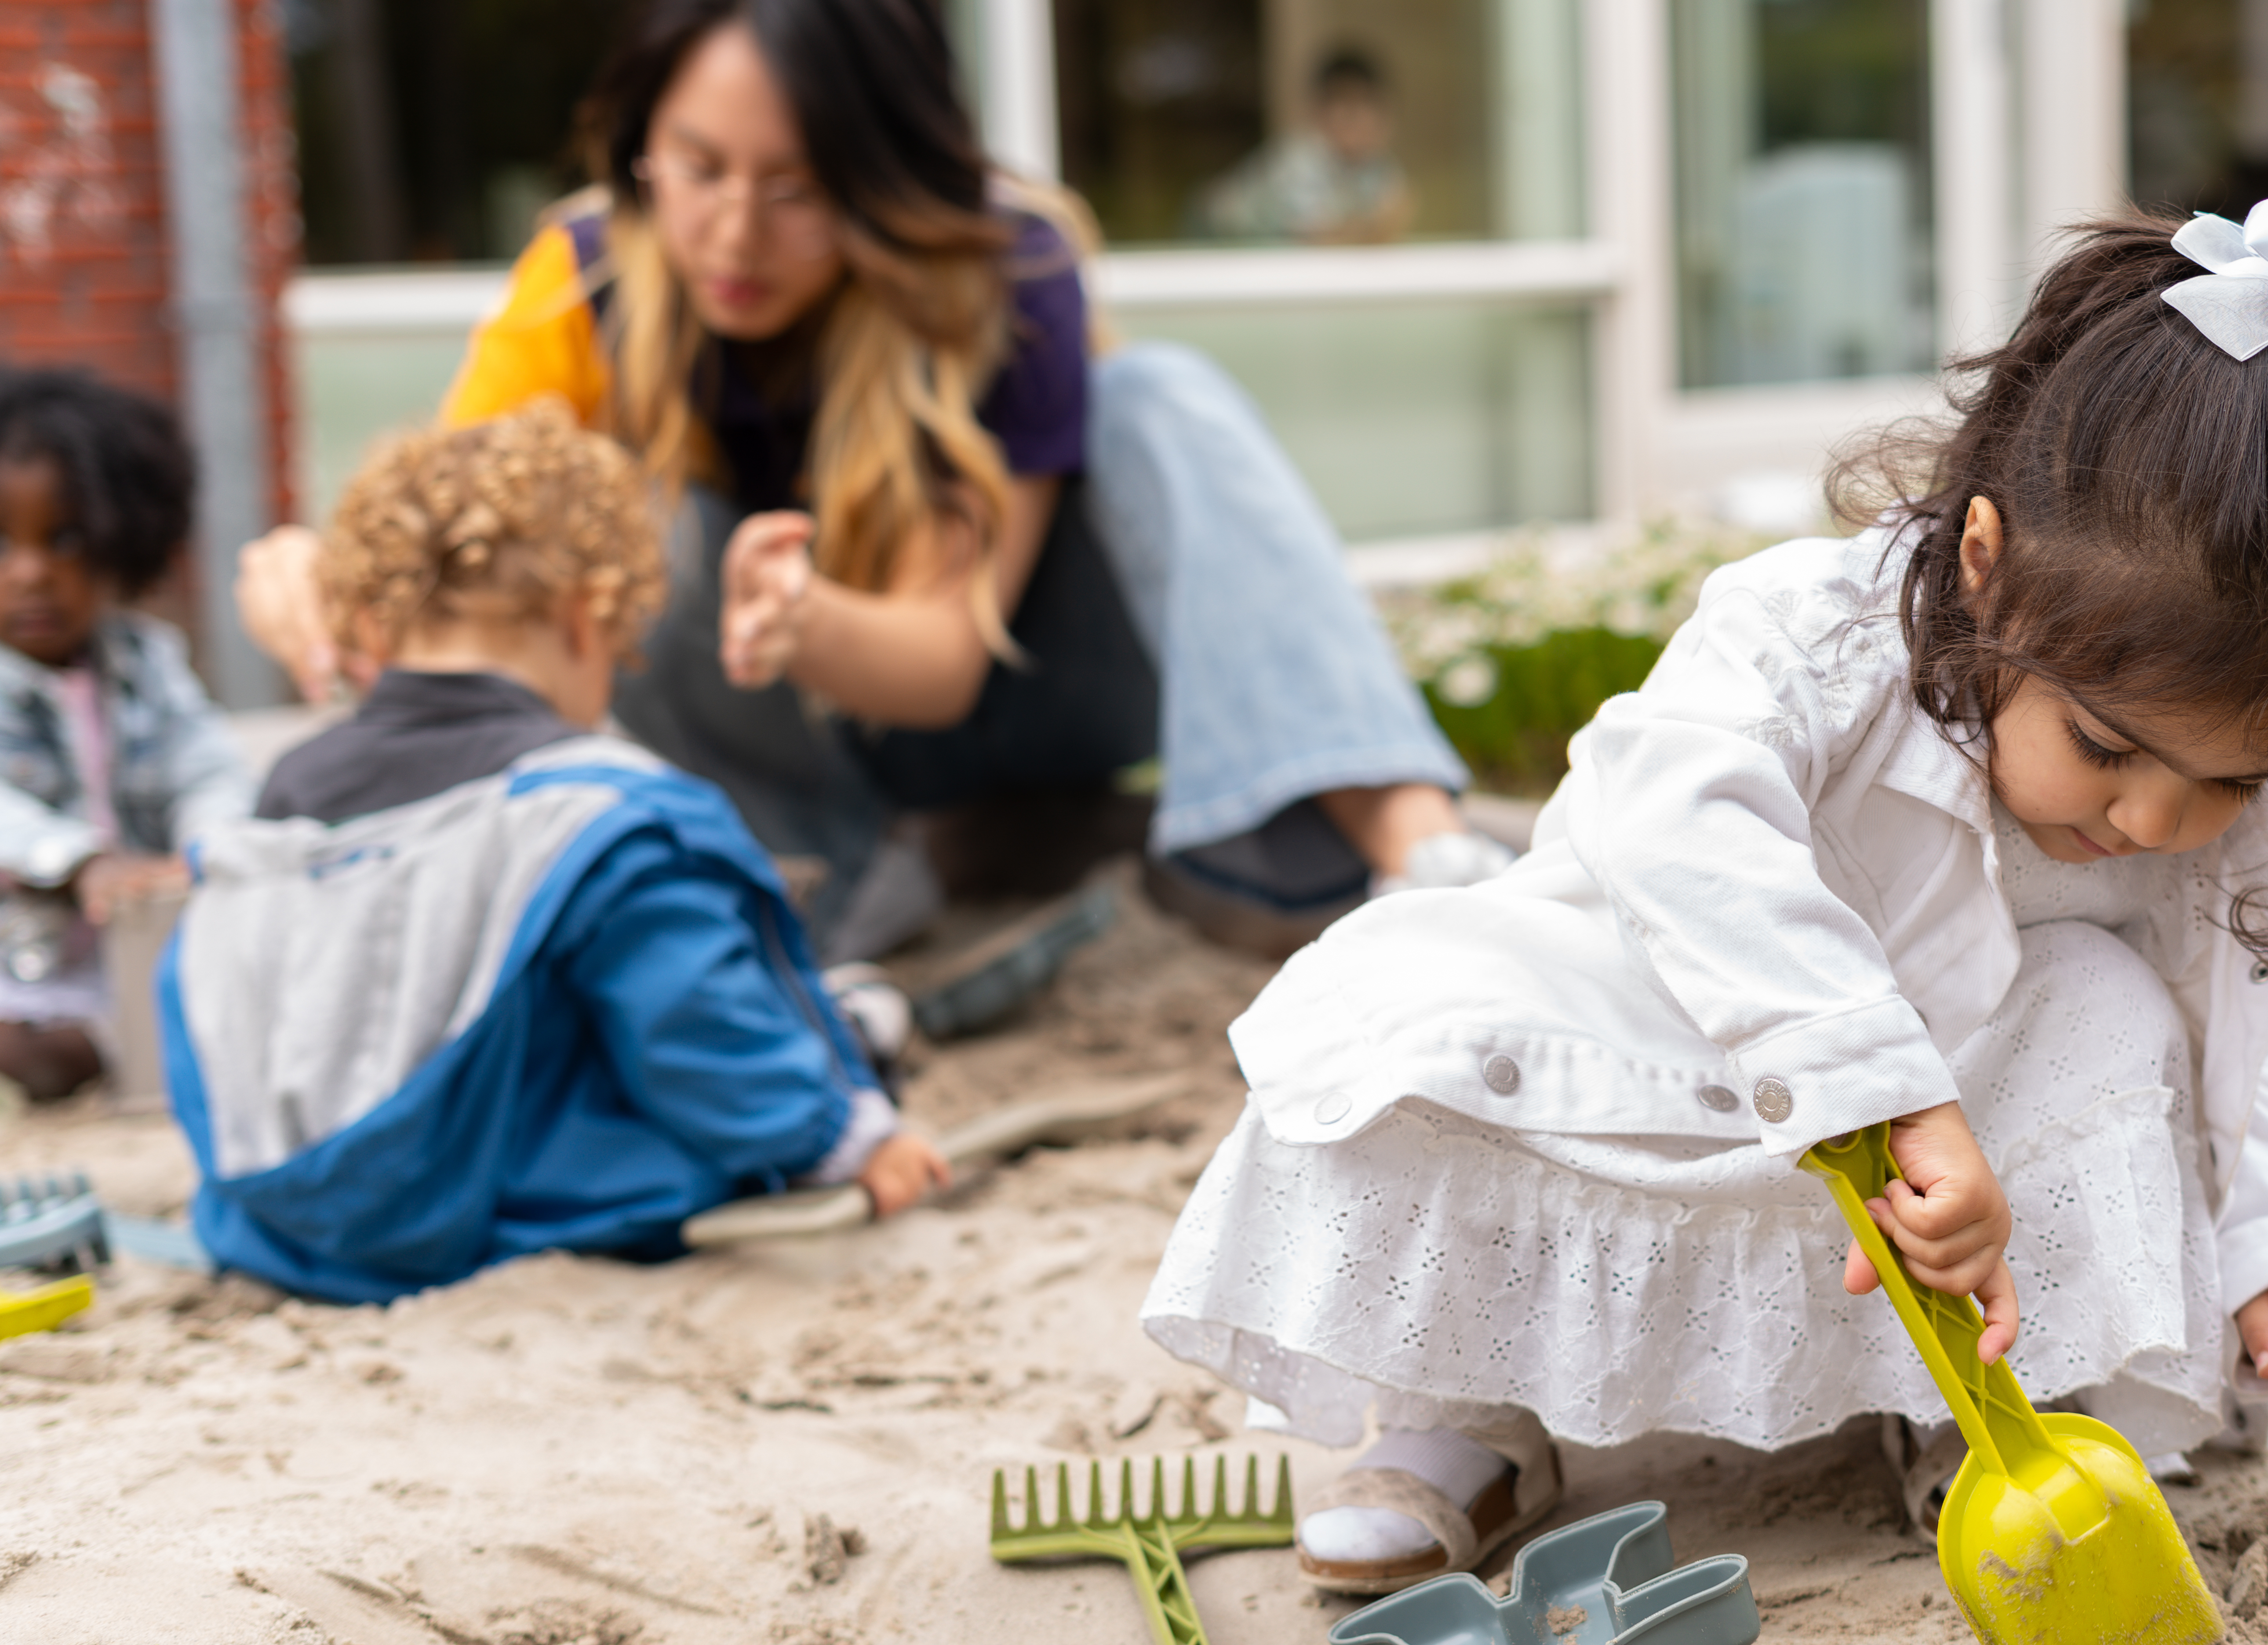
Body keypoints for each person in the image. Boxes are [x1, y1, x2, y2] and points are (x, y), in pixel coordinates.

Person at [1141, 200, 2268, 1593]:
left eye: (2232, 780)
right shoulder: (1808, 641)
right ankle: (1465, 1410)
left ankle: (1992, 1412)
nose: (2154, 822)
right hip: (1656, 1047)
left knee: (2117, 1007)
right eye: (2105, 747)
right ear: (1988, 566)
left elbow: (2231, 1033)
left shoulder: (2195, 812)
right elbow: (1674, 824)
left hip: (1950, 1158)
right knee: (1412, 1016)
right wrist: (1887, 1095)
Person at [235, 0, 1493, 966]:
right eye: (699, 168)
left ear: (886, 180)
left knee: (1161, 394)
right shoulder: (584, 281)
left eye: (798, 191)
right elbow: (451, 541)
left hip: (1021, 682)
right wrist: (317, 573)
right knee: (624, 516)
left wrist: (808, 621)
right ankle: (829, 894)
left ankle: (1425, 859)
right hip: (808, 769)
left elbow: (945, 661)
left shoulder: (1008, 270)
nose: (735, 233)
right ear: (640, 144)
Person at [171, 406, 949, 1306]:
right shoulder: (602, 810)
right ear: (587, 620)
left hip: (280, 1220)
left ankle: (843, 1027)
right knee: (689, 1007)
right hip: (496, 1206)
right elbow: (694, 1017)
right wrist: (842, 1142)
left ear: (375, 634)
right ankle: (846, 1042)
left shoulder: (285, 796)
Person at [0, 368, 251, 1101]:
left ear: (124, 536)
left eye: (66, 540)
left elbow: (204, 762)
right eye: (1, 544)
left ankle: (115, 1044)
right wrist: (78, 861)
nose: (32, 573)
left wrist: (207, 845)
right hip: (21, 965)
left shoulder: (147, 661)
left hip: (131, 950)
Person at [1201, 48, 1413, 246]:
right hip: (1215, 233)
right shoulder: (1299, 161)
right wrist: (1376, 228)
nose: (1360, 121)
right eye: (1348, 110)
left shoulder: (1377, 166)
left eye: (1370, 107)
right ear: (1319, 112)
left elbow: (1395, 213)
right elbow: (1320, 239)